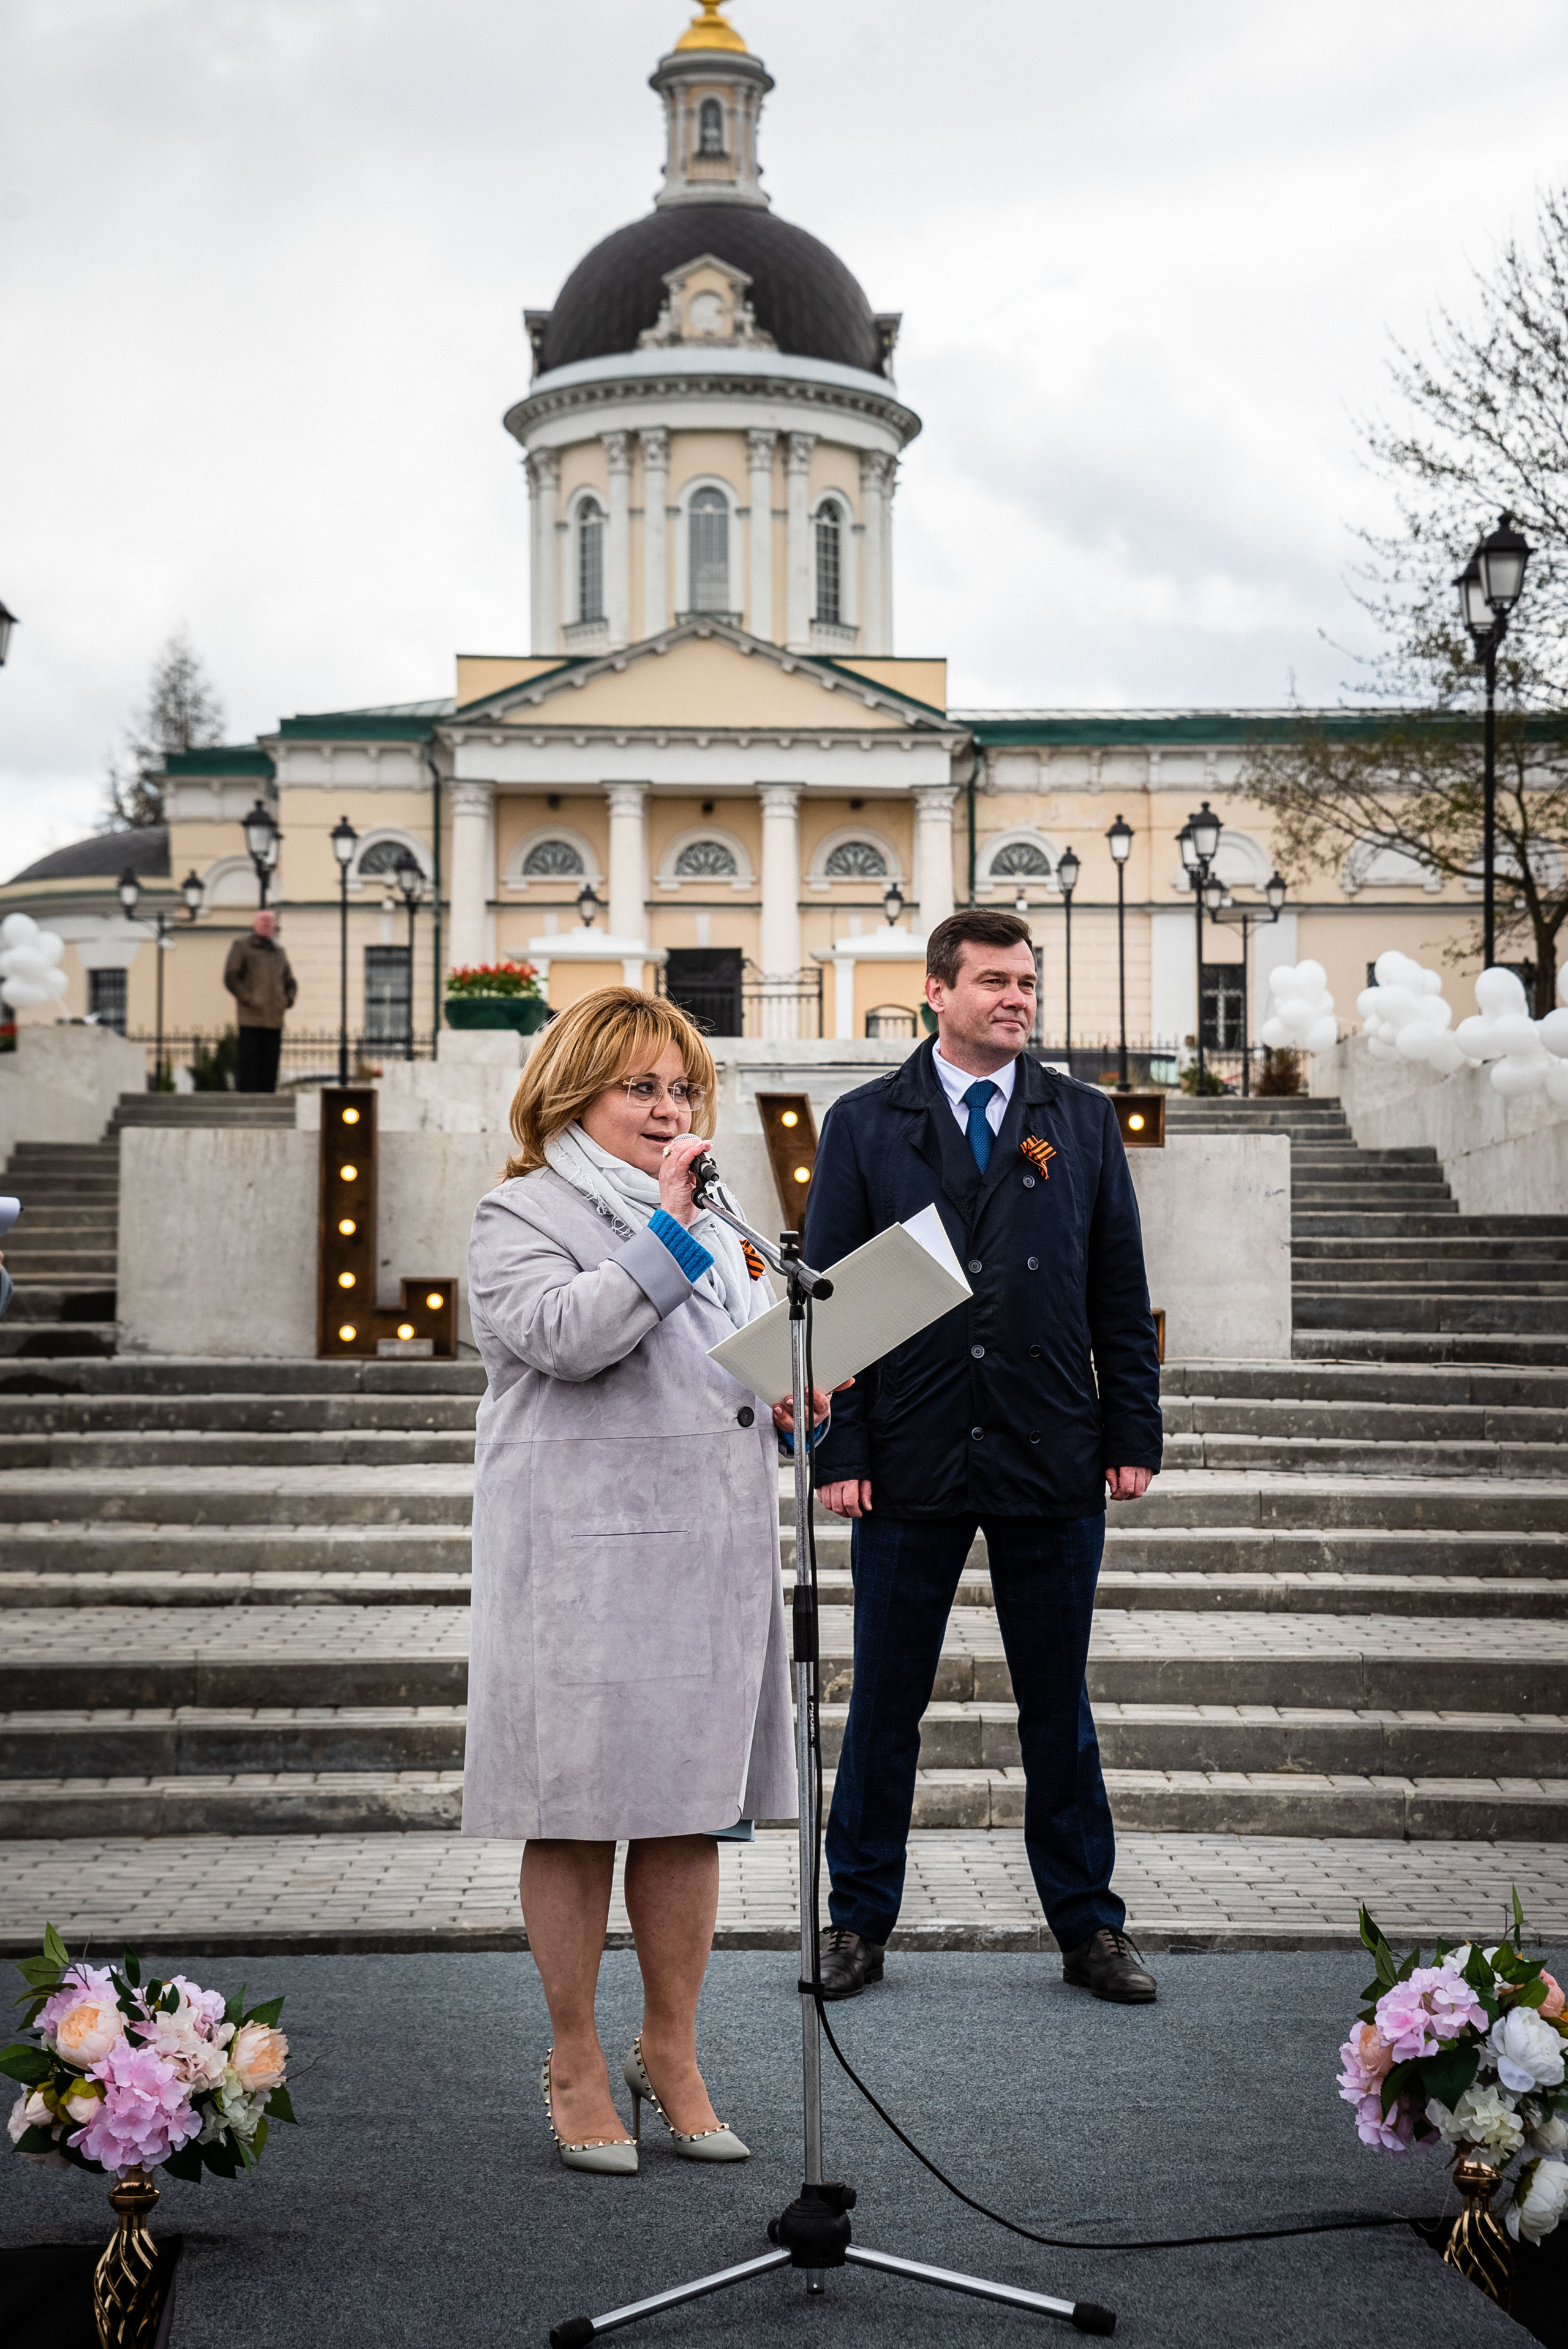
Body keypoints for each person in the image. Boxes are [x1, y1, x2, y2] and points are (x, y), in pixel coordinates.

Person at [462, 985, 832, 2175]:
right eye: (643, 1087)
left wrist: (787, 1396)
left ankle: (668, 2049)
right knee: (572, 1817)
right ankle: (573, 2056)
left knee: (688, 1813)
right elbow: (569, 1335)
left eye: (683, 1088)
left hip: (709, 1558)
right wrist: (670, 1235)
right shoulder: (516, 1212)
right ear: (575, 1094)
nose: (670, 1108)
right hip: (578, 1570)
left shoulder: (719, 1229)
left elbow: (717, 1369)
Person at [802, 908, 1164, 2007]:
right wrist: (838, 1444)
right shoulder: (865, 1124)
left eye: (1027, 982)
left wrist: (1131, 1432)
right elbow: (829, 1298)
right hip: (906, 1456)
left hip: (1051, 1449)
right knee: (884, 1705)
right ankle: (856, 1920)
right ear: (938, 994)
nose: (1017, 997)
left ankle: (1090, 1927)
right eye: (995, 981)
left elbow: (1116, 1285)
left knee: (1059, 1702)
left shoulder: (1083, 1120)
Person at [222, 909, 296, 1093]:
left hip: (274, 1019)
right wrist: (248, 998)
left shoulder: (279, 953)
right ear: (255, 924)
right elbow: (231, 977)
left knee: (270, 1065)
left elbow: (290, 981)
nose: (267, 924)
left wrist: (287, 1000)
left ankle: (267, 1099)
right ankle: (247, 1101)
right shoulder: (242, 947)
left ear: (275, 927)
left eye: (270, 922)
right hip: (251, 1017)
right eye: (263, 921)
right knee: (249, 1064)